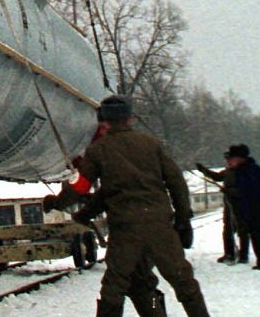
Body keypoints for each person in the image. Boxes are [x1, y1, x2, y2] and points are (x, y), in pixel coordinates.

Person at [69, 95, 210, 317]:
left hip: (125, 232)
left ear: (104, 121)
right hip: (159, 228)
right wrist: (183, 218)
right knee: (180, 281)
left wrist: (61, 204)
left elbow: (83, 188)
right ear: (130, 118)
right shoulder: (151, 144)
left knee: (115, 287)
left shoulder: (99, 150)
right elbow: (176, 181)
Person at [44, 117, 167, 317]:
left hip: (132, 232)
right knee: (140, 284)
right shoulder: (137, 152)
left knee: (119, 288)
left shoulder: (111, 154)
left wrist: (58, 203)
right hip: (153, 228)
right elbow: (107, 193)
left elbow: (88, 189)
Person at [228, 144, 260, 269]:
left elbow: (249, 191)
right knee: (259, 236)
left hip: (255, 209)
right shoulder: (246, 169)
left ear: (239, 158)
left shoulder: (249, 170)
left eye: (232, 158)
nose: (230, 161)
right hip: (251, 209)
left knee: (258, 236)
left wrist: (232, 192)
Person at [195, 155, 248, 264]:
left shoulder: (243, 172)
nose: (228, 162)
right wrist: (203, 170)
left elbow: (244, 190)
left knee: (242, 230)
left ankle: (243, 256)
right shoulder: (228, 171)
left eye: (230, 159)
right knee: (227, 230)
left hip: (240, 205)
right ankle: (229, 254)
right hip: (228, 204)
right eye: (227, 160)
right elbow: (217, 177)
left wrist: (229, 191)